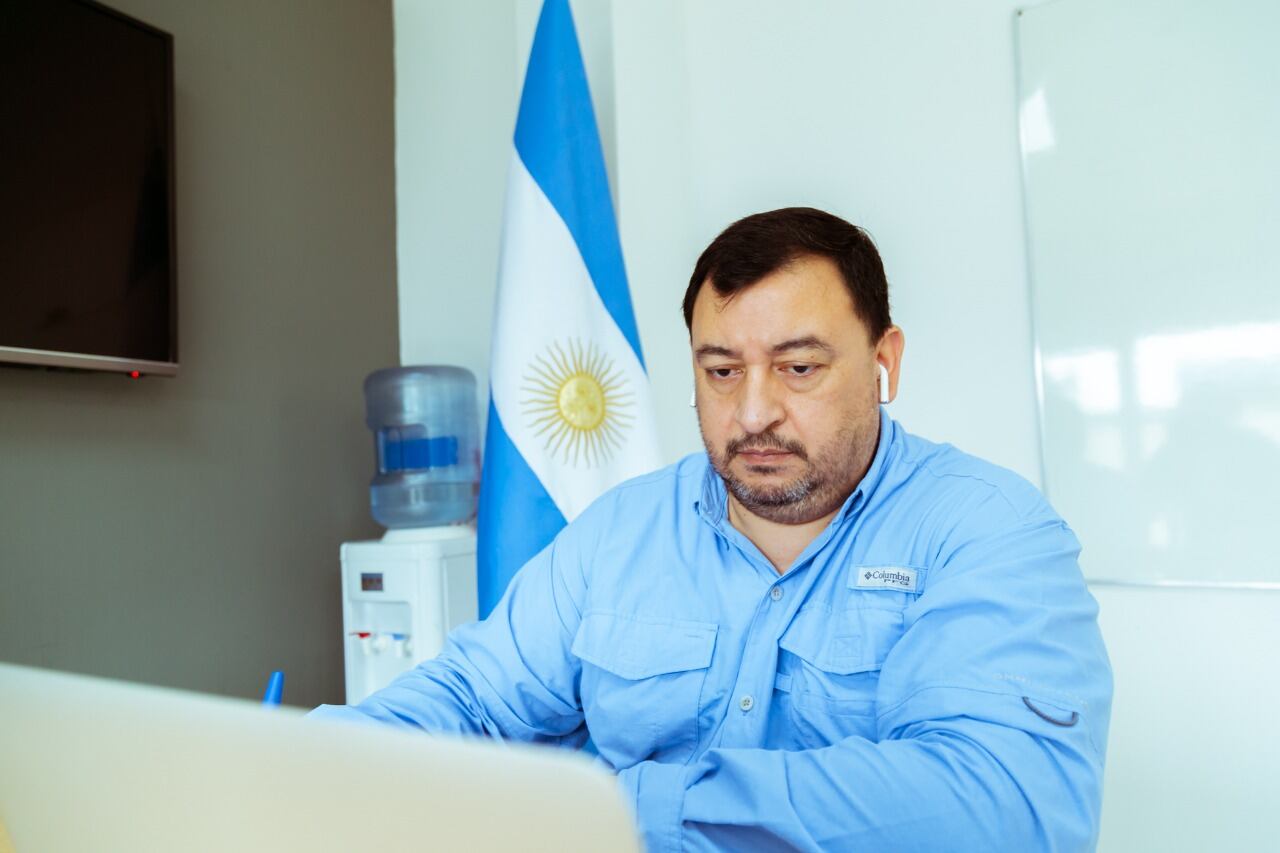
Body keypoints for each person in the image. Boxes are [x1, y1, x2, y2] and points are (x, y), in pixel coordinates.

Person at [311, 207, 1112, 851]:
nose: (754, 411)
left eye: (799, 368)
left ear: (884, 361)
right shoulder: (620, 530)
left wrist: (609, 799)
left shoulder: (990, 531)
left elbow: (998, 808)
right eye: (721, 370)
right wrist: (309, 762)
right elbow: (472, 699)